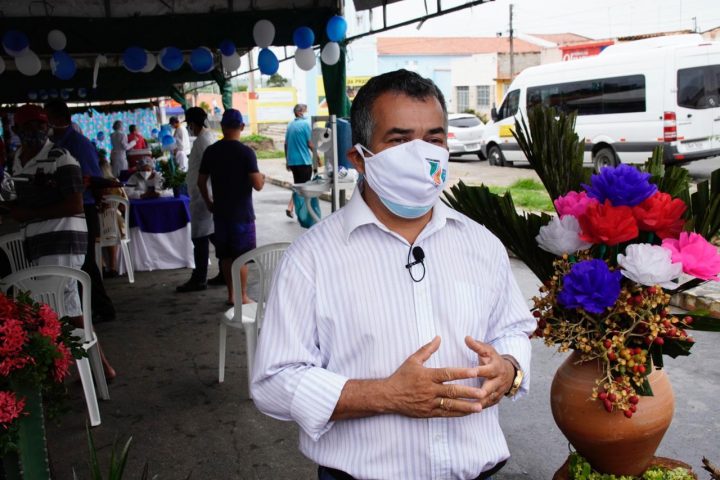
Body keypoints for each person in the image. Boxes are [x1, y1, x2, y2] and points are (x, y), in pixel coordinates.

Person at [251, 70, 534, 480]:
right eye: (400, 140)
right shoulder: (311, 259)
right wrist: (384, 395)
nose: (421, 155)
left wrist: (509, 369)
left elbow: (512, 328)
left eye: (434, 139)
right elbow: (274, 381)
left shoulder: (481, 243)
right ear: (359, 158)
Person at [5, 104, 115, 380]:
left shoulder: (61, 158)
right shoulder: (16, 160)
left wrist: (29, 214)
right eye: (29, 126)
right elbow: (17, 201)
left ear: (49, 127)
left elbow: (75, 204)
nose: (36, 131)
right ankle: (100, 368)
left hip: (63, 240)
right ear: (16, 129)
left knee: (49, 308)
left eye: (41, 125)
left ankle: (56, 374)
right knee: (68, 307)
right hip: (37, 243)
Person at [45, 99, 117, 323]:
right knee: (75, 263)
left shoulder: (78, 143)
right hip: (65, 211)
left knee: (84, 262)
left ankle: (101, 308)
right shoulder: (52, 144)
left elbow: (92, 178)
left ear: (58, 118)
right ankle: (83, 309)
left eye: (46, 118)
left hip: (83, 208)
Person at [197, 109, 264, 306]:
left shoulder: (211, 151)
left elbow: (201, 182)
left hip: (220, 213)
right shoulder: (246, 152)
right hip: (242, 214)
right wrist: (263, 178)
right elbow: (258, 185)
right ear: (242, 126)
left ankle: (231, 296)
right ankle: (242, 297)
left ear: (222, 126)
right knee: (241, 257)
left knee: (225, 256)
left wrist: (209, 202)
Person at [176, 107, 218, 292]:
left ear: (192, 124)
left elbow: (210, 170)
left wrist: (208, 199)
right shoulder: (205, 138)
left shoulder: (203, 141)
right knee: (213, 236)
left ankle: (199, 278)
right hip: (202, 195)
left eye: (189, 125)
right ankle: (225, 270)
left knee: (200, 238)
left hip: (203, 196)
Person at [284, 103, 314, 218]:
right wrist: (316, 156)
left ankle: (290, 207)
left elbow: (286, 144)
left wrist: (287, 160)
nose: (305, 113)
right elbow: (310, 143)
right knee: (304, 187)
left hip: (293, 162)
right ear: (299, 112)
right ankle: (304, 212)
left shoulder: (290, 125)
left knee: (298, 185)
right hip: (303, 161)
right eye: (305, 111)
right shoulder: (305, 124)